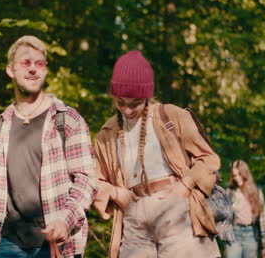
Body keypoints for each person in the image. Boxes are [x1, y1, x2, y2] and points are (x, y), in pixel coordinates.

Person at [93, 50, 222, 258]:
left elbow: (208, 159)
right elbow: (93, 180)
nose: (127, 110)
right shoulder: (106, 134)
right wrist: (117, 193)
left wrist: (184, 185)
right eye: (121, 102)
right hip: (134, 215)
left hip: (175, 207)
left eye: (135, 103)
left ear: (147, 96)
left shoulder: (171, 115)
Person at [0, 35, 98, 258]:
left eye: (39, 64)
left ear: (45, 70)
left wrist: (66, 220)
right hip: (9, 242)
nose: (33, 69)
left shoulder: (67, 120)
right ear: (11, 70)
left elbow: (87, 179)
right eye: (25, 63)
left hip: (56, 243)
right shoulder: (1, 125)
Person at [226, 160, 265, 258]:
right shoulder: (230, 192)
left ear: (245, 173)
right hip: (234, 233)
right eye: (234, 175)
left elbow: (263, 219)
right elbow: (224, 216)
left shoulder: (256, 192)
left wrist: (264, 246)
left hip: (251, 235)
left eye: (239, 174)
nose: (237, 178)